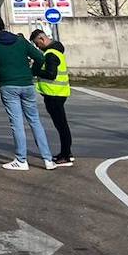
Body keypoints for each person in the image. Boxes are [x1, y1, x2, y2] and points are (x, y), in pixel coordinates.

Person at [0, 16, 55, 171]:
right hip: (27, 83)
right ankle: (48, 159)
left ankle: (21, 159)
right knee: (35, 120)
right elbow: (40, 57)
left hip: (8, 85)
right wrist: (31, 72)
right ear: (4, 25)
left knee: (17, 123)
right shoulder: (21, 41)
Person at [31, 29, 73, 166]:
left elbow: (51, 74)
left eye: (37, 44)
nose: (38, 47)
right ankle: (66, 153)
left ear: (42, 39)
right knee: (62, 125)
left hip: (54, 94)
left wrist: (36, 71)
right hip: (58, 93)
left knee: (61, 126)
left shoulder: (51, 54)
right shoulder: (56, 51)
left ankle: (66, 155)